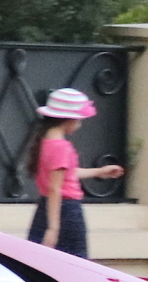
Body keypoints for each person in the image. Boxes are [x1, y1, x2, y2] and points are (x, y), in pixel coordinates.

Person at [27, 87, 125, 256]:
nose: (79, 125)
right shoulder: (61, 147)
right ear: (68, 120)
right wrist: (53, 228)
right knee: (75, 264)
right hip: (66, 212)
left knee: (40, 262)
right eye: (79, 120)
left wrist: (100, 171)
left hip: (46, 208)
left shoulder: (45, 142)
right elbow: (55, 188)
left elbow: (65, 176)